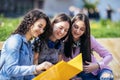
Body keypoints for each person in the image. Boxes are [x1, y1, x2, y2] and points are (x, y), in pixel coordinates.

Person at [0, 9, 53, 80]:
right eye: (40, 26)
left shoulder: (29, 44)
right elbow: (10, 69)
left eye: (43, 28)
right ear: (30, 23)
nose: (41, 31)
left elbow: (27, 75)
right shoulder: (15, 40)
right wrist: (37, 67)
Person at [63, 13, 113, 80]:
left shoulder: (88, 40)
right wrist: (74, 77)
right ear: (71, 25)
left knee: (105, 78)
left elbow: (108, 55)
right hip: (84, 76)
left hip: (101, 71)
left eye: (82, 29)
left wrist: (97, 65)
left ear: (85, 31)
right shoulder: (63, 42)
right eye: (76, 27)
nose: (78, 31)